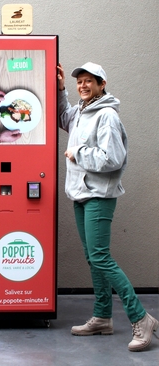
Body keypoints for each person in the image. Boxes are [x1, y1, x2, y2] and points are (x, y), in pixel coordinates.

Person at [57, 62, 158, 352]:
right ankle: (102, 317)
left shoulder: (107, 116)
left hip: (99, 195)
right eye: (80, 82)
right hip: (81, 193)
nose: (83, 85)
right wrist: (62, 88)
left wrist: (78, 152)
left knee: (101, 257)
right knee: (93, 257)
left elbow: (112, 158)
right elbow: (64, 118)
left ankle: (141, 318)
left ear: (102, 84)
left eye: (89, 81)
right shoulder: (81, 111)